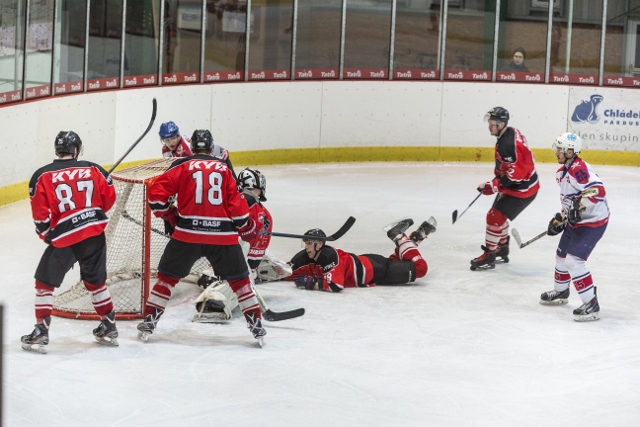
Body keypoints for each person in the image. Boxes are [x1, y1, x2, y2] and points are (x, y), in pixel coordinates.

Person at [138, 129, 266, 345]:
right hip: (223, 238)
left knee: (166, 280)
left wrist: (169, 214)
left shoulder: (181, 165)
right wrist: (244, 226)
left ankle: (150, 322)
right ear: (211, 147)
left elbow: (156, 196)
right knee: (241, 283)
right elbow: (240, 212)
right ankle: (256, 326)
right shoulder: (224, 169)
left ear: (193, 146)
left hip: (187, 235)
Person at [21, 131, 119, 353]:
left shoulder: (41, 175)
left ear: (57, 150)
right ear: (76, 150)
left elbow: (40, 216)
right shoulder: (93, 168)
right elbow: (109, 198)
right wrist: (89, 215)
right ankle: (109, 326)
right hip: (94, 233)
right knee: (96, 282)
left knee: (44, 284)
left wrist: (47, 235)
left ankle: (41, 331)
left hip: (66, 237)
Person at [540, 132, 609, 321]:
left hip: (592, 221)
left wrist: (578, 206)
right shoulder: (561, 173)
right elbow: (569, 202)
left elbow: (598, 190)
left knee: (573, 261)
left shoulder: (579, 169)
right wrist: (561, 218)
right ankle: (561, 292)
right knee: (560, 256)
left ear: (570, 152)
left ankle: (591, 304)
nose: (557, 153)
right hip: (577, 220)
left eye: (560, 150)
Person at [471, 107, 540, 271]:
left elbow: (517, 174)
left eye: (492, 123)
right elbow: (513, 167)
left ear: (502, 124)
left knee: (494, 216)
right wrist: (494, 182)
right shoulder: (509, 133)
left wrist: (493, 186)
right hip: (521, 185)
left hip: (523, 189)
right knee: (497, 216)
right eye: (489, 122)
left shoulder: (508, 144)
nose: (489, 126)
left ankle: (490, 255)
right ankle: (502, 248)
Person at [288, 217, 436, 291]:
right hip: (368, 263)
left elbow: (336, 285)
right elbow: (288, 270)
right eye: (305, 242)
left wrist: (311, 283)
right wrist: (266, 275)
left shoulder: (329, 256)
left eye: (308, 243)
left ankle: (397, 235)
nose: (306, 246)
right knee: (402, 261)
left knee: (420, 268)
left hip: (376, 270)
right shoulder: (305, 257)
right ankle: (417, 237)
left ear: (319, 244)